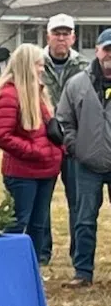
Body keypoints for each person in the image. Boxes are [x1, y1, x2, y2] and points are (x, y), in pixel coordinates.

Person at [0, 43, 63, 262]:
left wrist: (58, 149)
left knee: (39, 222)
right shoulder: (10, 95)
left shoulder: (39, 92)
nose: (42, 69)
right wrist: (35, 151)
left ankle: (32, 264)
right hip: (23, 173)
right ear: (26, 66)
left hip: (46, 170)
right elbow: (3, 136)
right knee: (19, 219)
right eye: (38, 65)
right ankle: (7, 261)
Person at [55, 28, 111, 287]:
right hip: (86, 163)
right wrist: (75, 146)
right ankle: (83, 272)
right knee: (84, 219)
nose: (110, 54)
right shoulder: (77, 83)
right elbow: (64, 120)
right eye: (107, 49)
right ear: (97, 51)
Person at [41, 14, 89, 265]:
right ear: (48, 35)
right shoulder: (34, 64)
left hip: (73, 141)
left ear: (73, 37)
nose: (61, 38)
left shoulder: (85, 66)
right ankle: (42, 252)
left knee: (78, 200)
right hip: (42, 140)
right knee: (42, 200)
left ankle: (77, 252)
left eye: (66, 33)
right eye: (56, 33)